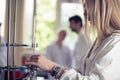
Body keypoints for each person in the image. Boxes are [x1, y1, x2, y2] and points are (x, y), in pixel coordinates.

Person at [24, 0, 120, 80]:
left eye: (87, 6)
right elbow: (80, 71)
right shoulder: (100, 40)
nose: (84, 13)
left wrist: (53, 68)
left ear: (102, 9)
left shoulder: (116, 43)